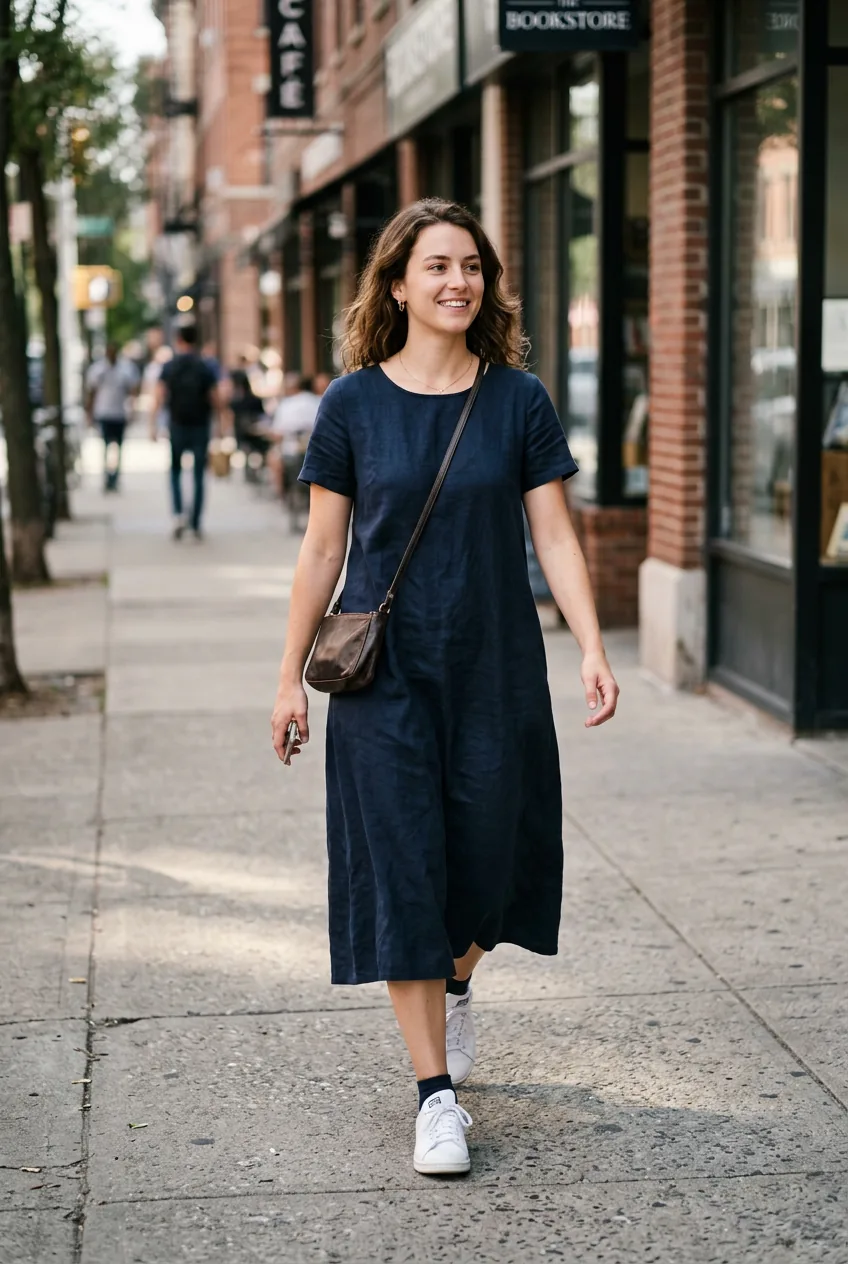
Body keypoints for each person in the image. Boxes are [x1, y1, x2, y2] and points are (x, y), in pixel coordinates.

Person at [270, 199, 619, 1178]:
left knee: (482, 863)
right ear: (396, 285)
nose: (456, 281)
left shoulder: (517, 400)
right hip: (382, 682)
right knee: (404, 873)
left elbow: (552, 533)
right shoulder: (350, 405)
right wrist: (286, 681)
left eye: (470, 266)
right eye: (435, 267)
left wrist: (590, 644)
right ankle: (435, 1098)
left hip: (494, 669)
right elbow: (320, 548)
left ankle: (456, 979)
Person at [156, 325, 219, 540]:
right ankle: (195, 521)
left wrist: (152, 425)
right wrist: (221, 424)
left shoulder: (169, 365)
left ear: (178, 339)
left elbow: (159, 396)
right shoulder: (205, 366)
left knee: (175, 471)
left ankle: (178, 514)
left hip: (177, 425)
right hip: (201, 425)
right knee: (199, 474)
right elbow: (215, 397)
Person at [85, 342, 140, 492]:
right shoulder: (98, 370)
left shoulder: (126, 369)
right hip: (103, 413)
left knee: (118, 448)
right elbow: (92, 392)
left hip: (119, 414)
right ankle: (106, 477)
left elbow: (133, 390)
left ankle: (115, 477)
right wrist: (89, 414)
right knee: (105, 447)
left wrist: (132, 410)